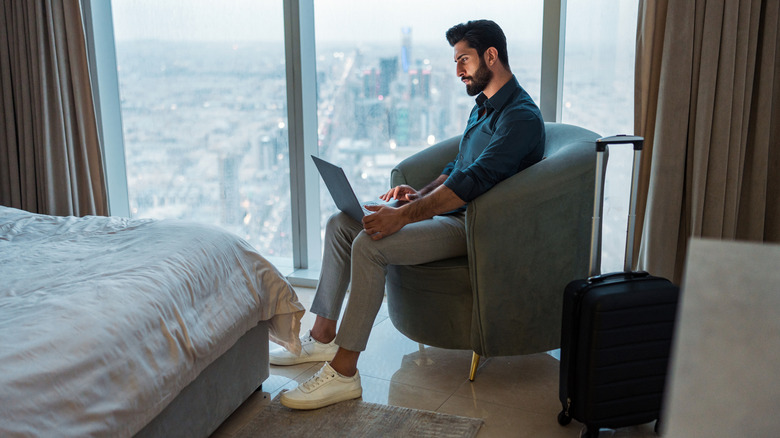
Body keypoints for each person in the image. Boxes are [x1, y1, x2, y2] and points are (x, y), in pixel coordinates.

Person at [270, 19, 545, 410]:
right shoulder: (483, 107)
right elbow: (456, 168)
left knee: (369, 245)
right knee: (340, 224)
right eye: (455, 61)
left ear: (491, 56)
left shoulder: (519, 118)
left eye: (463, 60)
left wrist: (404, 216)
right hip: (448, 212)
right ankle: (323, 336)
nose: (457, 71)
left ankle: (345, 373)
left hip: (472, 226)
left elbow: (472, 183)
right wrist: (418, 194)